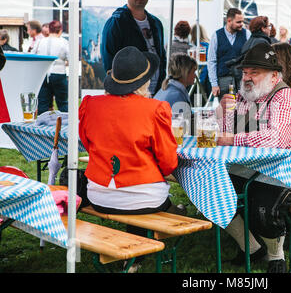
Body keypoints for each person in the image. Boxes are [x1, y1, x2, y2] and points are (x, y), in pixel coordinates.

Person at [79, 46, 182, 272]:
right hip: (145, 197)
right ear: (144, 82)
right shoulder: (155, 109)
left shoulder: (90, 104)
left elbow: (87, 145)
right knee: (146, 199)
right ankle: (138, 253)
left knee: (137, 200)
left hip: (99, 193)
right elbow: (169, 163)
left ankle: (135, 257)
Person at [216, 42, 291, 273]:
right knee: (213, 191)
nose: (247, 77)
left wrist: (233, 140)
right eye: (245, 72)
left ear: (273, 75)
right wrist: (223, 112)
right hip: (252, 167)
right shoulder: (243, 97)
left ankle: (276, 256)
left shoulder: (286, 97)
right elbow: (225, 133)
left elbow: (276, 139)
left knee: (263, 206)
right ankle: (250, 247)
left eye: (254, 72)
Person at [101, 0, 166, 96]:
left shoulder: (156, 23)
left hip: (155, 92)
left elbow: (161, 55)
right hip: (129, 94)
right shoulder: (116, 23)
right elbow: (108, 58)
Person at [207, 8, 251, 100]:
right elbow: (211, 61)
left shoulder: (246, 34)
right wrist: (214, 84)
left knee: (243, 110)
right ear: (229, 20)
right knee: (226, 111)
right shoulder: (216, 35)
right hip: (223, 80)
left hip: (242, 80)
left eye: (242, 21)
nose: (241, 24)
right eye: (238, 22)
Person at [33, 20, 69, 115]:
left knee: (43, 104)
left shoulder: (40, 42)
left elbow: (33, 55)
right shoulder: (64, 42)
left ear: (49, 29)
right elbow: (70, 58)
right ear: (60, 30)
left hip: (43, 74)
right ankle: (66, 126)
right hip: (59, 73)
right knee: (62, 103)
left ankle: (41, 126)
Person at [191, 24, 211, 97]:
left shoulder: (199, 47)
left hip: (204, 79)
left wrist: (200, 80)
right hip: (210, 79)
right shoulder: (209, 44)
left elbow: (204, 66)